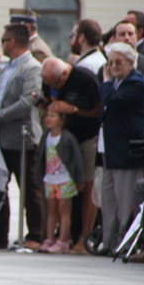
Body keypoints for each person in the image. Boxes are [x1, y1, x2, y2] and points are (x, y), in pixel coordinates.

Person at [0, 23, 44, 250]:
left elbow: (28, 101)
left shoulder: (31, 67)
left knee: (29, 188)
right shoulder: (7, 67)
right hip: (1, 136)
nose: (2, 44)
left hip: (22, 137)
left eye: (4, 40)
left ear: (13, 42)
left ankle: (36, 235)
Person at [38, 58, 102, 253]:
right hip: (65, 138)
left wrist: (73, 109)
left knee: (88, 185)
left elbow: (99, 109)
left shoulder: (84, 79)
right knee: (64, 193)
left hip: (87, 136)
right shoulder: (50, 78)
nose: (51, 86)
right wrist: (44, 102)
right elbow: (51, 99)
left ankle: (84, 237)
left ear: (64, 74)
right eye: (47, 84)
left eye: (54, 84)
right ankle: (60, 236)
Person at [98, 42, 144, 253]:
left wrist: (105, 82)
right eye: (110, 63)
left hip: (128, 150)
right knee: (109, 199)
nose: (113, 66)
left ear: (131, 63)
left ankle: (125, 242)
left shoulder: (136, 82)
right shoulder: (118, 82)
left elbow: (112, 100)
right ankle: (109, 241)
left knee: (125, 199)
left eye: (118, 62)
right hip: (112, 149)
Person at [36, 110, 84, 254]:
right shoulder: (46, 136)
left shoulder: (68, 138)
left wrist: (79, 179)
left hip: (65, 179)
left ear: (62, 120)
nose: (48, 118)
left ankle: (63, 240)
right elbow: (40, 157)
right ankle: (49, 238)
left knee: (63, 210)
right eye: (47, 115)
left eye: (52, 116)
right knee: (51, 210)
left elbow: (77, 160)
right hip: (50, 179)